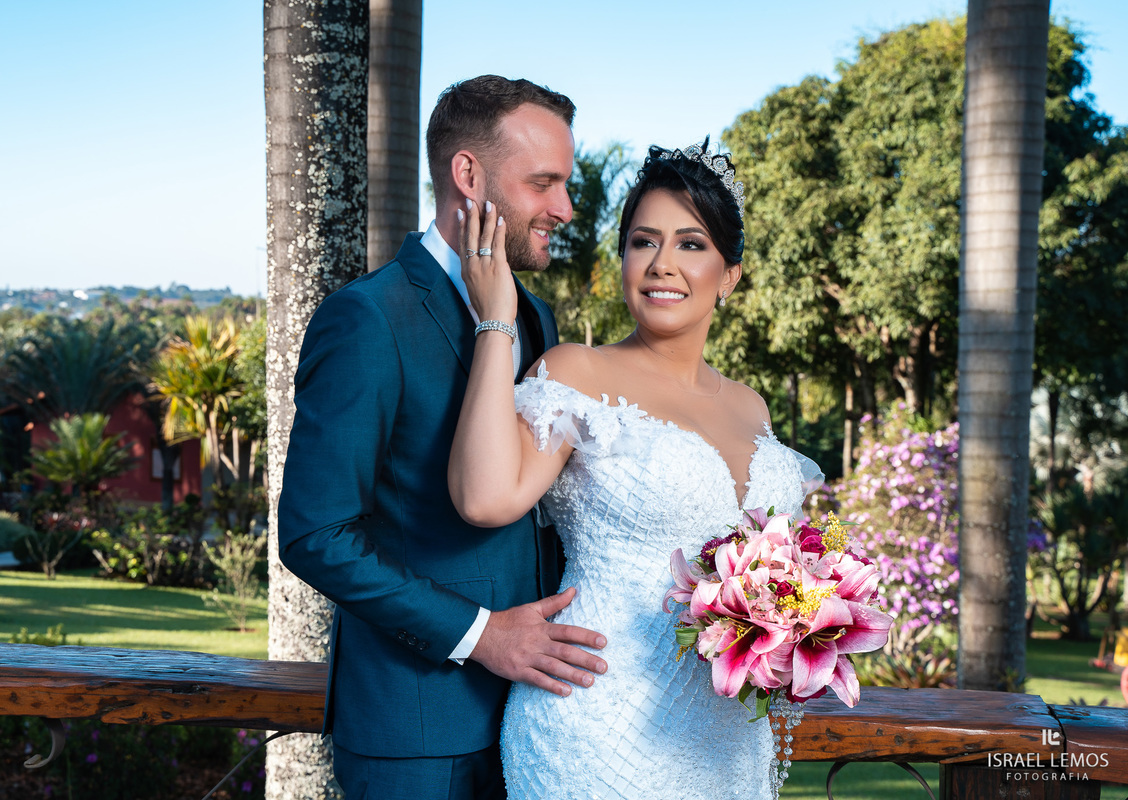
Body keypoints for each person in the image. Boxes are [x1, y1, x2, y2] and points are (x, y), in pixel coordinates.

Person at [448, 139, 822, 799]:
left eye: (690, 244)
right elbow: (485, 498)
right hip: (599, 727)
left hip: (730, 738)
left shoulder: (750, 405)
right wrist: (495, 322)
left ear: (729, 275)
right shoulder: (578, 372)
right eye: (643, 242)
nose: (661, 264)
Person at [278, 75, 607, 800]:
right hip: (417, 734)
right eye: (543, 183)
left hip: (545, 722)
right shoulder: (368, 319)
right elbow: (314, 533)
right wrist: (482, 635)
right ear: (468, 175)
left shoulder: (535, 318)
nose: (564, 208)